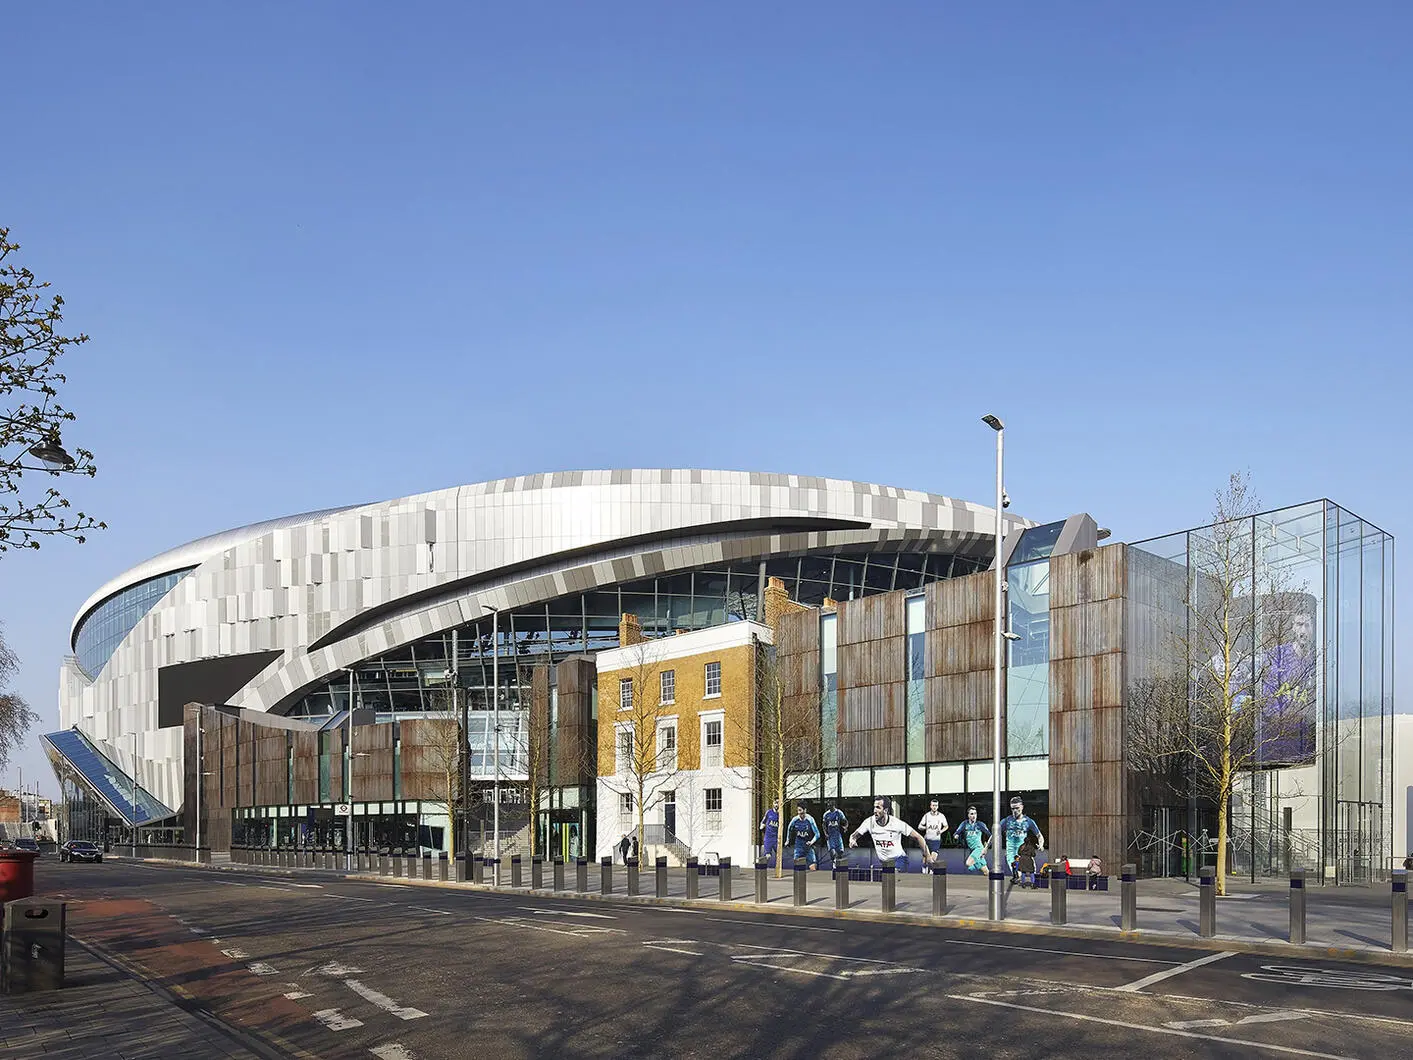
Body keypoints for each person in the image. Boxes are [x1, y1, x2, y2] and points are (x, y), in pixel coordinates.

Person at [849, 796, 935, 873]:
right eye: (874, 807)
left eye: (878, 808)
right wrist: (852, 840)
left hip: (899, 859)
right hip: (884, 862)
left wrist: (927, 856)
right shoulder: (869, 822)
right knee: (888, 886)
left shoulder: (897, 823)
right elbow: (854, 835)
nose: (875, 810)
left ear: (885, 810)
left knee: (892, 879)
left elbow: (918, 837)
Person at [1003, 797, 1045, 884]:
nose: (1015, 811)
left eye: (1017, 808)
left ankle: (1031, 884)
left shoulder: (1028, 821)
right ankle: (1020, 880)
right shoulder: (1007, 821)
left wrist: (1041, 845)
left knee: (1032, 870)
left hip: (1024, 851)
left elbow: (1039, 836)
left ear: (1022, 807)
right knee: (1018, 872)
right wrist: (985, 848)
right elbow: (994, 833)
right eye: (1012, 808)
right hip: (1011, 852)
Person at [953, 806, 991, 874]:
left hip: (979, 849)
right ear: (968, 815)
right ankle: (991, 882)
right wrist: (956, 835)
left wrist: (986, 848)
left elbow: (990, 835)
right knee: (986, 872)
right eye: (972, 814)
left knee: (968, 863)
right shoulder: (964, 824)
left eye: (975, 814)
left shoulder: (980, 824)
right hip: (972, 850)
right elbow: (957, 832)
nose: (974, 816)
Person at [917, 799, 949, 875]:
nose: (934, 807)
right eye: (933, 805)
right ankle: (924, 869)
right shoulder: (927, 816)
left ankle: (931, 871)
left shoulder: (941, 816)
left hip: (936, 840)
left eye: (936, 805)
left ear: (938, 806)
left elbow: (946, 826)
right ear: (930, 806)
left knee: (933, 858)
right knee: (925, 858)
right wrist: (925, 827)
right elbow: (919, 826)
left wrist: (941, 831)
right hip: (927, 839)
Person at [785, 804, 821, 869]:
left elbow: (817, 834)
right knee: (797, 868)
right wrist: (787, 840)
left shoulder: (810, 820)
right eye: (798, 810)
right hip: (798, 846)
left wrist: (811, 842)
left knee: (813, 867)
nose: (799, 812)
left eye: (800, 810)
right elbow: (789, 829)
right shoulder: (795, 820)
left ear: (805, 810)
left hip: (808, 847)